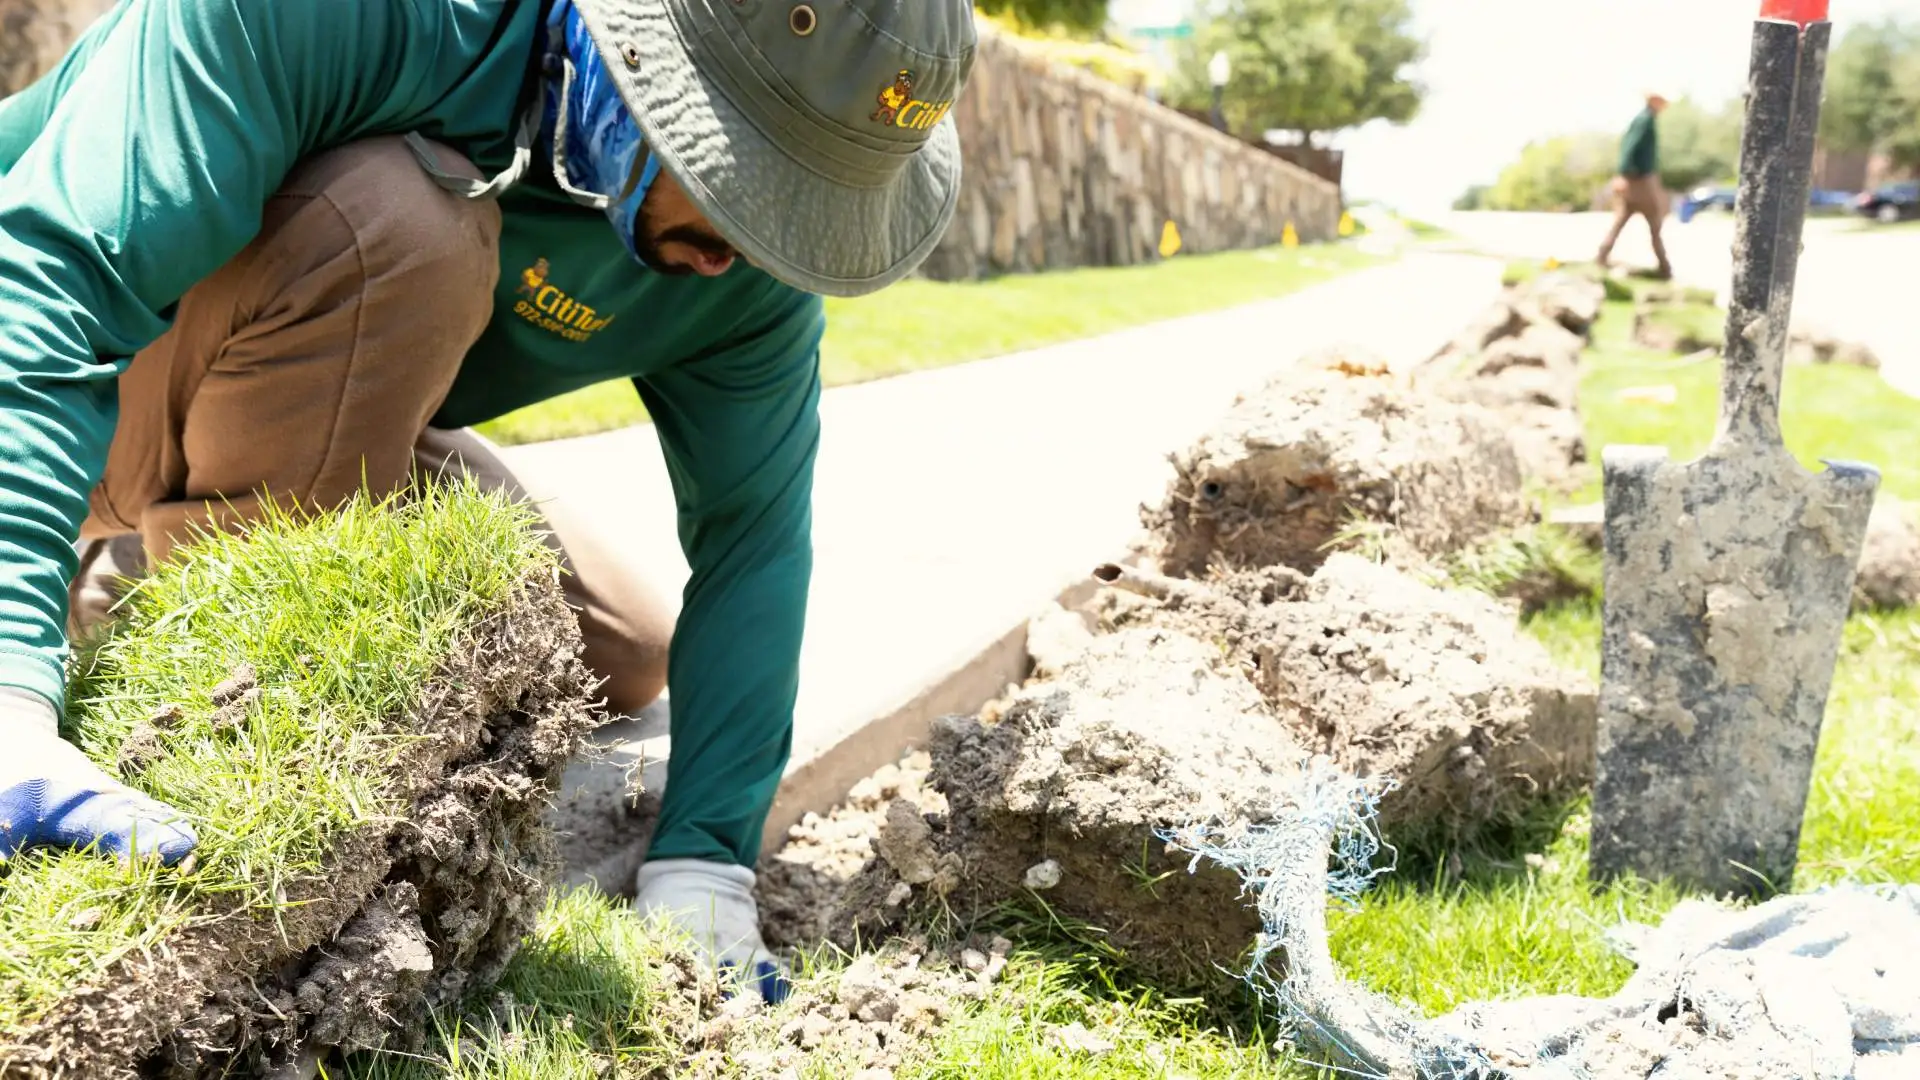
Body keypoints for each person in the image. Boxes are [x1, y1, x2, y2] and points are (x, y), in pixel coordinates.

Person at [0, 0, 976, 1004]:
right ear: (646, 60)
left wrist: (707, 864)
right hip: (71, 349)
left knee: (615, 650)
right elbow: (50, 272)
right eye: (744, 186)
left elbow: (756, 540)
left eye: (794, 207)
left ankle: (156, 563)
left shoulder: (746, 275)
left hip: (284, 374)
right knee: (401, 225)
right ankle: (205, 662)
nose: (747, 249)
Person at [1596, 89, 1674, 279]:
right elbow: (1629, 146)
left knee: (1622, 221)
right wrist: (1623, 174)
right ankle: (1665, 269)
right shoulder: (1644, 120)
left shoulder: (1646, 119)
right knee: (1654, 222)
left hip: (1638, 180)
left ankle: (1601, 258)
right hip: (1639, 182)